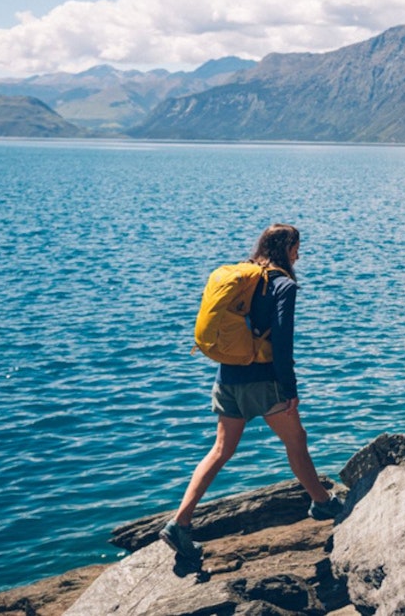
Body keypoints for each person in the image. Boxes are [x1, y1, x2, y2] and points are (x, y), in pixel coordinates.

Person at [159, 223, 342, 563]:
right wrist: (290, 388)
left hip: (227, 378)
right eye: (297, 248)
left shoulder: (244, 278)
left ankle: (179, 522)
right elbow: (282, 343)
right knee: (296, 440)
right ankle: (322, 503)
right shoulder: (283, 285)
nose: (299, 255)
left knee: (220, 450)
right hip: (264, 381)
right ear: (287, 248)